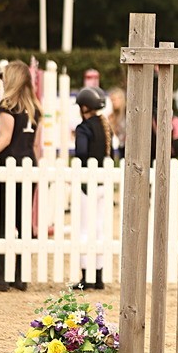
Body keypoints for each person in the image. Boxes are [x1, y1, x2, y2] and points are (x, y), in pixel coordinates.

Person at [0, 61, 43, 292]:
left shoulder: (7, 106)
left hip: (8, 167)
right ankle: (20, 276)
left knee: (3, 219)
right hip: (29, 165)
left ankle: (0, 277)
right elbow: (34, 144)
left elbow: (4, 138)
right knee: (23, 221)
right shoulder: (35, 107)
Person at [71, 87, 111, 291]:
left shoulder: (83, 128)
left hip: (87, 184)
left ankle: (87, 276)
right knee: (99, 228)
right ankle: (99, 275)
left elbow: (81, 152)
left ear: (84, 107)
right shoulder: (105, 126)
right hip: (103, 183)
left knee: (85, 229)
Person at [106, 86, 126, 159]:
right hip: (121, 145)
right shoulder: (114, 115)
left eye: (114, 100)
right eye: (111, 100)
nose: (113, 103)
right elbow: (115, 133)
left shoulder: (127, 113)